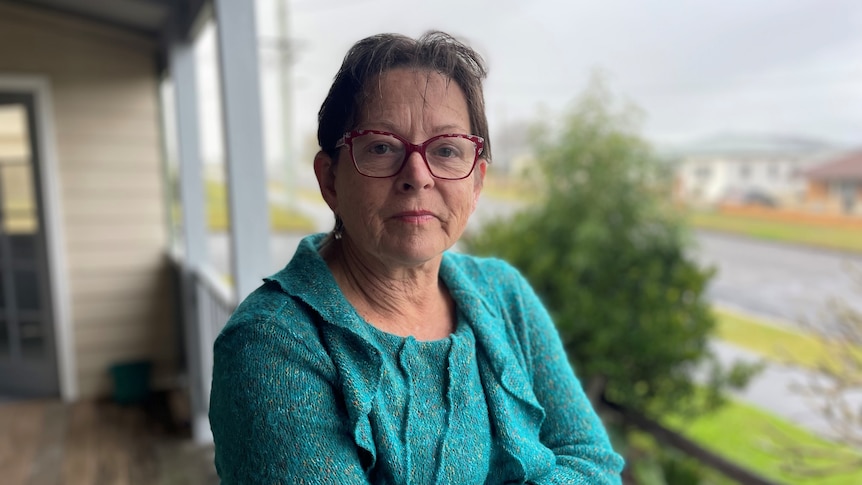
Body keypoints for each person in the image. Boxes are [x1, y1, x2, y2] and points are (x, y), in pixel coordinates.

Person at [209, 31, 624, 484]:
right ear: (330, 180)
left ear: (477, 182)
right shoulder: (271, 346)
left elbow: (593, 461)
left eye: (446, 150)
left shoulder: (505, 294)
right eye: (382, 147)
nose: (418, 176)